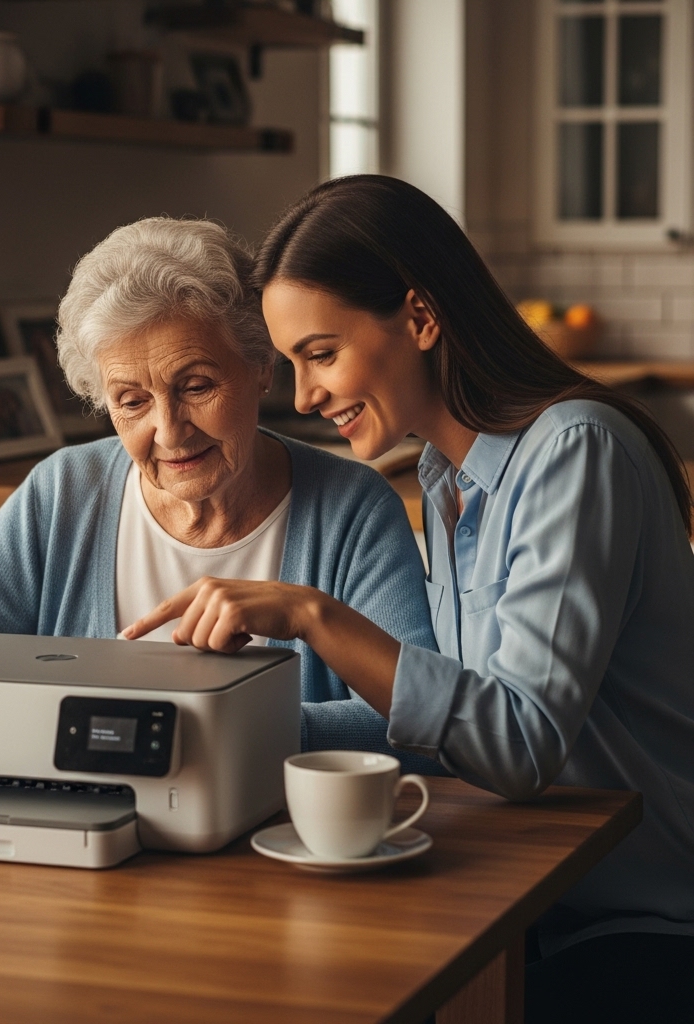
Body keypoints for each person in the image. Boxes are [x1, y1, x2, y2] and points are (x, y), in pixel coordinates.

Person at [123, 177, 694, 1023]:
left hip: (648, 927)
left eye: (321, 353)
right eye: (291, 365)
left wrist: (312, 614)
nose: (306, 395)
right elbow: (463, 723)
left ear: (421, 320)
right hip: (541, 904)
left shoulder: (576, 454)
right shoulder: (449, 480)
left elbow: (518, 743)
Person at [0, 216, 440, 767]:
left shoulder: (353, 510)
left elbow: (430, 727)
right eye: (132, 401)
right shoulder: (63, 493)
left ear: (263, 366)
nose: (169, 431)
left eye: (195, 386)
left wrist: (221, 723)